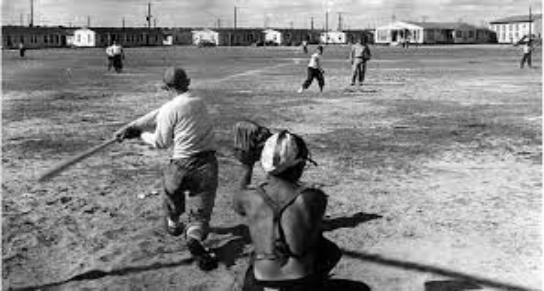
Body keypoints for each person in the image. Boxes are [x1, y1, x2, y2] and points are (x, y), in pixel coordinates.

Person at [114, 67, 219, 271]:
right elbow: (160, 112)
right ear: (187, 83)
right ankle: (194, 237)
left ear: (166, 87)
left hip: (180, 165)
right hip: (206, 164)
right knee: (200, 213)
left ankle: (173, 224)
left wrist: (138, 134)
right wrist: (132, 126)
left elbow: (161, 142)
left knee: (172, 195)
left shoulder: (170, 109)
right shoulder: (198, 100)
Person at [232, 129, 342, 291]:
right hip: (299, 283)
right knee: (328, 251)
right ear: (300, 165)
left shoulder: (248, 198)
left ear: (264, 163)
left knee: (252, 262)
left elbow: (237, 204)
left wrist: (246, 167)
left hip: (260, 283)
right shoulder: (314, 197)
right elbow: (313, 239)